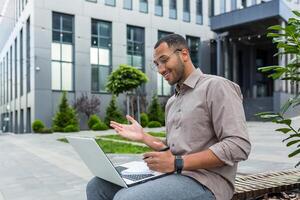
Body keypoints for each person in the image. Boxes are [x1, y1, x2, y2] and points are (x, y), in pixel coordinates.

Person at [86, 34, 251, 200]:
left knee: (126, 198)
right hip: (175, 174)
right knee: (97, 186)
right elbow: (175, 149)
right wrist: (144, 137)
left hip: (207, 182)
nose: (160, 69)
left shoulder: (216, 86)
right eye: (156, 64)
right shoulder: (172, 102)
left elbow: (238, 145)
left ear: (184, 54)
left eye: (164, 60)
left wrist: (177, 163)